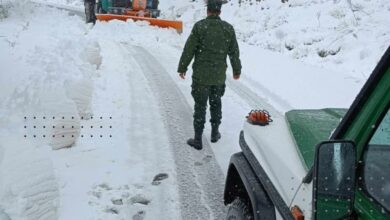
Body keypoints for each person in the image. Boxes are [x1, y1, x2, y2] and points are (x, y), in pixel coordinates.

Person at [177, 0, 242, 150]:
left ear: (208, 11)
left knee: (200, 106)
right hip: (218, 77)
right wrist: (236, 70)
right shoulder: (228, 29)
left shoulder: (200, 27)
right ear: (219, 11)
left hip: (201, 76)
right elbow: (234, 53)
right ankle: (214, 133)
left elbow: (189, 49)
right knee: (216, 102)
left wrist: (182, 67)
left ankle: (198, 139)